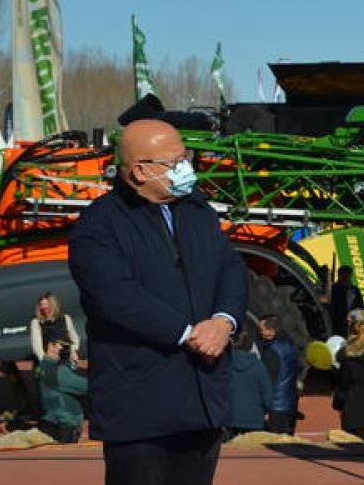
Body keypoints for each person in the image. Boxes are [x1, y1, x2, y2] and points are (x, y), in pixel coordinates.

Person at [69, 118, 247, 485]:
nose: (186, 167)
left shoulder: (199, 213)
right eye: (174, 162)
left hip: (203, 399)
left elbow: (231, 269)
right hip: (140, 408)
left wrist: (224, 321)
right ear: (139, 170)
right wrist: (188, 335)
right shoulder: (98, 225)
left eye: (186, 157)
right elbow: (116, 297)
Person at [37, 340, 87, 444]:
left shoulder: (41, 366)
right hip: (64, 425)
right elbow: (84, 387)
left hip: (50, 421)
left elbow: (56, 384)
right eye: (62, 345)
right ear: (51, 346)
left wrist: (70, 364)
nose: (65, 348)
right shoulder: (59, 371)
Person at [258, 315, 301, 435]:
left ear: (271, 331)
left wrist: (264, 407)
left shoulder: (272, 351)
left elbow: (268, 380)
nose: (260, 332)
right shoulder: (291, 347)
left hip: (276, 407)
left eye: (262, 329)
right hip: (290, 404)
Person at [226, 331, 271, 440]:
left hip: (230, 419)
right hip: (254, 420)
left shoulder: (225, 365)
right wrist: (267, 409)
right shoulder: (258, 366)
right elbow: (267, 393)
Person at [29, 292, 81, 365]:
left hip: (66, 358)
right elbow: (37, 346)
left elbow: (74, 338)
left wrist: (73, 351)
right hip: (48, 359)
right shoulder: (36, 322)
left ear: (53, 305)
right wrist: (45, 360)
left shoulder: (66, 318)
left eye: (46, 304)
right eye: (41, 305)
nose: (44, 307)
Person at [330, 266, 364, 337]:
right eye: (343, 275)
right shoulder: (333, 289)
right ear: (339, 275)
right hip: (337, 324)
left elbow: (360, 306)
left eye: (347, 275)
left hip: (352, 324)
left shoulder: (354, 290)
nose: (345, 277)